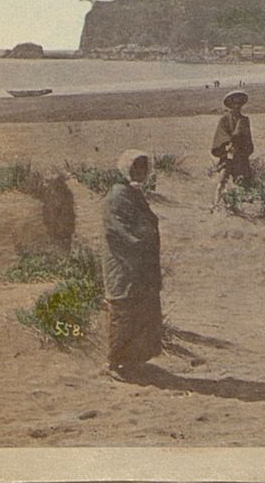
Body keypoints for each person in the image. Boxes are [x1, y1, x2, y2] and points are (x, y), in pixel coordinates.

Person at [103, 150, 162, 377]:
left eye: (144, 168)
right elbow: (120, 232)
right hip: (123, 264)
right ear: (126, 168)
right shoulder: (117, 195)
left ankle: (132, 362)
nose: (142, 172)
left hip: (139, 264)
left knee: (140, 311)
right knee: (123, 312)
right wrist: (143, 243)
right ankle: (113, 364)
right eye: (136, 167)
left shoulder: (132, 193)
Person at [211, 90, 254, 207]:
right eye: (234, 103)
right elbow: (221, 135)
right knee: (222, 180)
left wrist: (242, 148)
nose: (237, 106)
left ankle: (242, 208)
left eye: (239, 103)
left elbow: (248, 139)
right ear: (230, 105)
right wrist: (228, 144)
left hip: (241, 156)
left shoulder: (244, 120)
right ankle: (216, 205)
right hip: (228, 155)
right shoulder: (224, 119)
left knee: (244, 182)